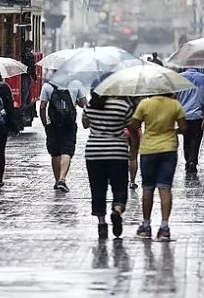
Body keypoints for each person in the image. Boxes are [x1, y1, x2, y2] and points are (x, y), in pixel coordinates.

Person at [130, 93, 187, 240]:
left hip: (149, 150)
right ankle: (164, 227)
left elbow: (134, 126)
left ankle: (146, 226)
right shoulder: (175, 105)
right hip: (169, 149)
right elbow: (184, 127)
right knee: (165, 187)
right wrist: (173, 131)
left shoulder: (145, 104)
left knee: (148, 188)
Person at [82, 93, 137, 239]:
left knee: (97, 188)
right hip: (117, 152)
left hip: (94, 152)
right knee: (119, 185)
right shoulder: (123, 106)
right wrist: (134, 146)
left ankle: (101, 223)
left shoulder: (90, 106)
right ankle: (117, 210)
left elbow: (85, 124)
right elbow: (132, 128)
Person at [39, 79, 88, 192]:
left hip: (53, 124)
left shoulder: (47, 86)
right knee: (67, 151)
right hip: (69, 124)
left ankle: (57, 181)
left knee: (55, 152)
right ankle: (62, 178)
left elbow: (42, 107)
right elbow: (85, 104)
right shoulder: (76, 84)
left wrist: (45, 124)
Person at [176, 68, 204, 173]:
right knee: (196, 139)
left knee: (186, 138)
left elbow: (175, 97)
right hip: (197, 115)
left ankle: (188, 160)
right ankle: (193, 161)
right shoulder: (202, 78)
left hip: (183, 115)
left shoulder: (179, 78)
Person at [21, 40, 37, 107]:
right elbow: (32, 67)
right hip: (27, 76)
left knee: (25, 93)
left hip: (23, 75)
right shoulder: (30, 56)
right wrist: (34, 77)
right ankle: (25, 108)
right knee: (26, 93)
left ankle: (24, 106)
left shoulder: (22, 55)